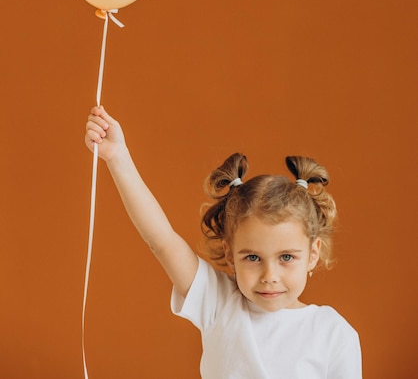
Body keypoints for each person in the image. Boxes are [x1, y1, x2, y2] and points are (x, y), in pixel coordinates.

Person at [85, 105, 362, 379]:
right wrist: (118, 157)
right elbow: (162, 240)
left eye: (286, 257)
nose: (269, 276)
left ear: (313, 254)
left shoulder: (333, 334)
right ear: (230, 256)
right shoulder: (219, 302)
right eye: (252, 257)